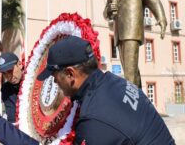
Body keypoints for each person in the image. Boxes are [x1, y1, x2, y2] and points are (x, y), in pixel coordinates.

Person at [37, 36, 175, 144]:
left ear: (70, 74)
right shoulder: (113, 82)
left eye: (55, 76)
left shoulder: (93, 120)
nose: (54, 82)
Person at [103, 0, 167, 88]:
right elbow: (105, 15)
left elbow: (153, 0)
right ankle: (139, 99)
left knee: (130, 73)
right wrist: (109, 10)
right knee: (132, 71)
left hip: (132, 31)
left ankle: (131, 104)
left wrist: (161, 18)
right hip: (119, 34)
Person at [0, 52, 24, 124]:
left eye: (10, 71)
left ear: (20, 64)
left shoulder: (32, 80)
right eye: (4, 73)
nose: (8, 77)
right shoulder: (6, 89)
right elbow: (12, 119)